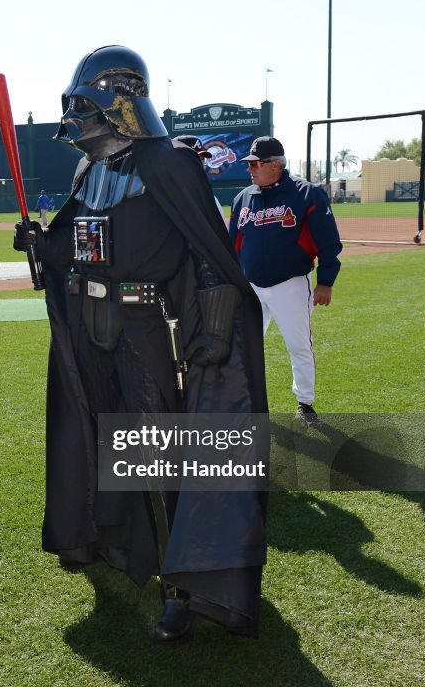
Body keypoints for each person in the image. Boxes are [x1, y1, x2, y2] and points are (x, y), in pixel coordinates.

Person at [13, 45, 269, 642]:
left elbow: (207, 252)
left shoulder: (168, 163)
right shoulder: (88, 171)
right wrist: (43, 246)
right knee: (106, 446)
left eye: (84, 104)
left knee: (165, 458)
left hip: (146, 330)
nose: (74, 117)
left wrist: (213, 325)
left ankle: (188, 587)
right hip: (92, 330)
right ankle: (119, 543)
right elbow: (81, 249)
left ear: (116, 102)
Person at [229, 136, 342, 428]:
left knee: (299, 345)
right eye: (249, 163)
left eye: (256, 163)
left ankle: (304, 403)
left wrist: (325, 280)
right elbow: (234, 244)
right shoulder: (243, 198)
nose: (250, 169)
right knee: (244, 347)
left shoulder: (306, 194)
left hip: (290, 284)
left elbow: (328, 242)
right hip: (251, 287)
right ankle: (243, 402)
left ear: (276, 165)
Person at [174, 135, 225, 221]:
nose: (200, 163)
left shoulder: (211, 200)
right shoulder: (160, 195)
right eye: (193, 158)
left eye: (202, 158)